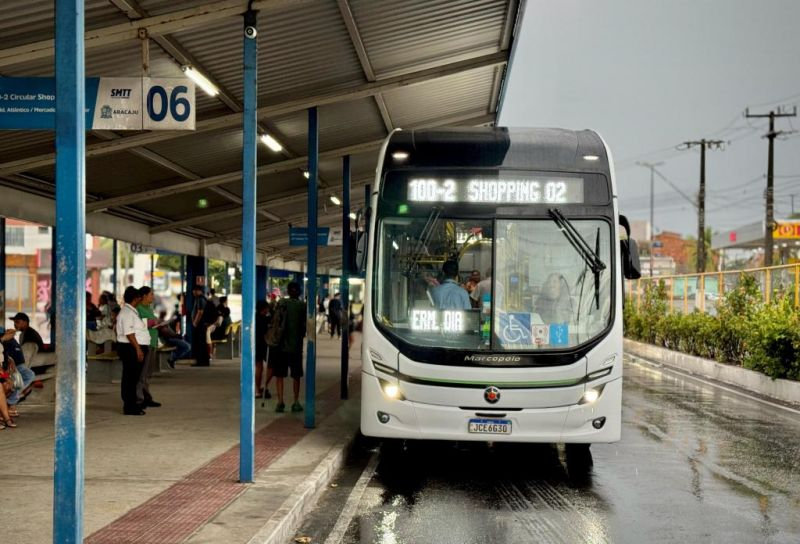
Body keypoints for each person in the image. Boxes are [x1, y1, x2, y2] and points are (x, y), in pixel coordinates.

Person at [273, 281, 306, 413]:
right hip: (296, 347)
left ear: (287, 291)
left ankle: (280, 402)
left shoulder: (281, 303)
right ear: (299, 292)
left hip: (281, 346)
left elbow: (274, 322)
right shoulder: (302, 306)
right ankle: (296, 401)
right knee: (296, 375)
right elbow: (305, 327)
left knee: (279, 375)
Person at [117, 286, 150, 415]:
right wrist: (138, 349)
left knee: (133, 377)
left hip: (133, 347)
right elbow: (129, 333)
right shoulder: (127, 313)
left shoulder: (131, 311)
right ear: (136, 299)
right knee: (130, 378)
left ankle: (132, 404)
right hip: (131, 348)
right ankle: (129, 406)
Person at [0, 327, 35, 417]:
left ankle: (11, 402)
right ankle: (10, 404)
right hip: (9, 368)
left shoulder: (10, 340)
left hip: (15, 366)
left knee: (19, 381)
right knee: (13, 382)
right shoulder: (3, 341)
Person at [136, 286, 161, 408]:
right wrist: (152, 323)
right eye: (151, 294)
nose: (153, 296)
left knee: (148, 373)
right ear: (144, 296)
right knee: (142, 373)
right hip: (145, 343)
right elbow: (139, 324)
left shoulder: (149, 308)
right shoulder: (138, 309)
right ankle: (139, 399)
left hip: (153, 343)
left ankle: (146, 396)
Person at [254, 300, 271, 399]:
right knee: (272, 366)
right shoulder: (265, 319)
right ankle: (264, 385)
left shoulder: (255, 317)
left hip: (256, 344)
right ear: (264, 309)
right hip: (264, 345)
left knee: (258, 367)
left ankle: (257, 390)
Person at [191, 285, 210, 367]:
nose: (193, 293)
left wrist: (195, 322)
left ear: (197, 291)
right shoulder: (203, 298)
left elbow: (200, 312)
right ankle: (203, 361)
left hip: (200, 325)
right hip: (202, 324)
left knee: (200, 343)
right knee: (202, 343)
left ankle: (201, 361)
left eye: (194, 291)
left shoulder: (200, 299)